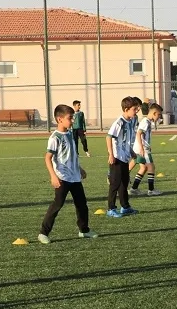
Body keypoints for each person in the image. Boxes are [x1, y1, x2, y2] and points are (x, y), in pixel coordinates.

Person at [38, 104, 93, 243]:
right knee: (57, 205)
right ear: (60, 119)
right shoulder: (55, 137)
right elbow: (48, 158)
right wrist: (53, 176)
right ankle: (43, 233)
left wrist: (79, 168)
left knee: (82, 204)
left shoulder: (69, 134)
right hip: (62, 177)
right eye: (70, 118)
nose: (73, 120)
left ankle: (84, 230)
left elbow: (71, 154)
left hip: (74, 177)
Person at [105, 96, 139, 217]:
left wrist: (131, 152)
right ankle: (111, 209)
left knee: (124, 183)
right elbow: (109, 137)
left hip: (124, 157)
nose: (136, 111)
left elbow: (125, 140)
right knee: (115, 184)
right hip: (117, 158)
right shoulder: (119, 122)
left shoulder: (130, 122)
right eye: (134, 109)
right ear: (126, 109)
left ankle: (125, 206)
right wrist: (111, 154)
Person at [130, 101, 163, 197]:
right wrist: (142, 147)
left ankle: (133, 189)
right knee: (151, 167)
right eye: (159, 115)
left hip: (142, 148)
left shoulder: (147, 121)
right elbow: (139, 133)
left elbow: (143, 135)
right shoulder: (146, 122)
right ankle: (151, 190)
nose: (159, 117)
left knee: (143, 168)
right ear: (154, 113)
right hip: (143, 149)